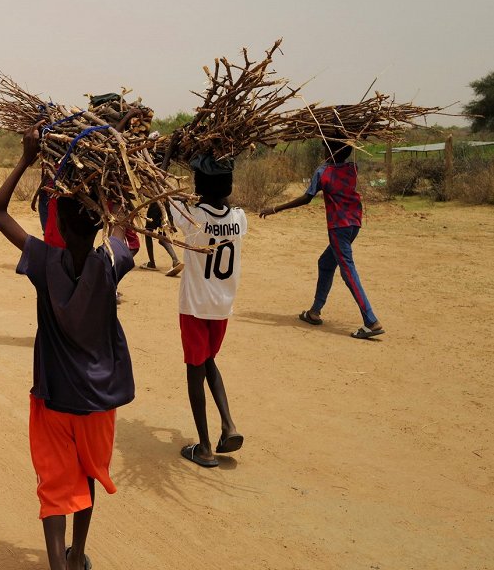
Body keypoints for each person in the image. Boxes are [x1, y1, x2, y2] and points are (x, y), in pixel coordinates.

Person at [0, 123, 135, 570]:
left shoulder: (45, 263)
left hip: (54, 398)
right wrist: (114, 177)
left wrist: (28, 160)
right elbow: (128, 226)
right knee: (86, 477)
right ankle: (76, 558)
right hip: (99, 401)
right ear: (95, 225)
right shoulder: (111, 260)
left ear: (56, 223)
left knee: (56, 487)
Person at [260, 139, 384, 339]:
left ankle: (371, 321)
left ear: (333, 151)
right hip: (354, 224)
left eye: (326, 147)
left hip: (338, 227)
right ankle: (314, 312)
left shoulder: (323, 171)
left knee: (348, 271)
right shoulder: (353, 167)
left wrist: (275, 209)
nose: (323, 150)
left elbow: (306, 198)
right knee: (325, 263)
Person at [169, 155, 247, 469]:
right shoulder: (240, 217)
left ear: (199, 185)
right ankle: (229, 425)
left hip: (195, 306)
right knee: (209, 361)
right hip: (222, 307)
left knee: (194, 370)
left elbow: (165, 199)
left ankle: (203, 446)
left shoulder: (192, 215)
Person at [143, 201, 183, 276]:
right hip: (165, 204)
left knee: (148, 232)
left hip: (156, 204)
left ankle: (151, 263)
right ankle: (175, 260)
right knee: (162, 237)